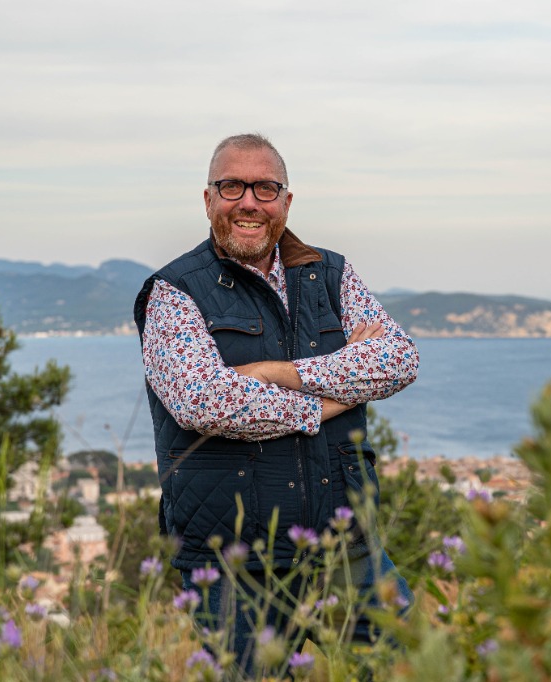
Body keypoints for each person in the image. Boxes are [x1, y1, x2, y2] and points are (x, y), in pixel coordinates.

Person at [133, 133, 419, 675]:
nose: (249, 201)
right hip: (233, 555)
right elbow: (205, 402)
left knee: (408, 665)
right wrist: (327, 400)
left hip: (343, 538)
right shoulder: (173, 292)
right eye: (232, 186)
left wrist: (272, 375)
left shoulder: (330, 274)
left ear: (286, 201)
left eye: (265, 187)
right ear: (208, 199)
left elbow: (399, 358)